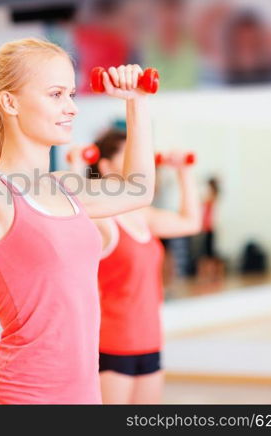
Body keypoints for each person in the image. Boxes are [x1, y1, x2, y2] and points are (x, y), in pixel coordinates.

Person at [0, 39, 155, 404]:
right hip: (23, 397)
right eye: (55, 94)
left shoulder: (65, 188)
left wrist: (137, 102)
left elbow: (139, 191)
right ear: (9, 102)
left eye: (70, 95)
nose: (71, 108)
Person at [69, 128, 200, 404]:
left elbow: (191, 222)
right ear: (105, 166)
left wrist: (184, 172)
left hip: (150, 340)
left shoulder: (145, 216)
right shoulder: (103, 221)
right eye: (128, 155)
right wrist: (76, 165)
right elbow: (74, 208)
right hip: (114, 343)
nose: (138, 160)